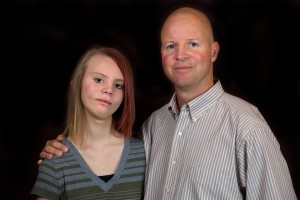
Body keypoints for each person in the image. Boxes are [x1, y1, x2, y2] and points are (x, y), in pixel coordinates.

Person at [37, 6, 297, 200]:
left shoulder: (246, 126)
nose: (180, 55)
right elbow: (107, 156)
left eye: (192, 44)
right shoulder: (154, 126)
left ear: (214, 52)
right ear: (161, 54)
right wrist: (62, 150)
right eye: (170, 46)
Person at [31, 46, 146, 199]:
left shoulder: (141, 154)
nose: (108, 90)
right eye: (99, 80)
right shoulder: (55, 160)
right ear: (77, 84)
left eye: (118, 85)